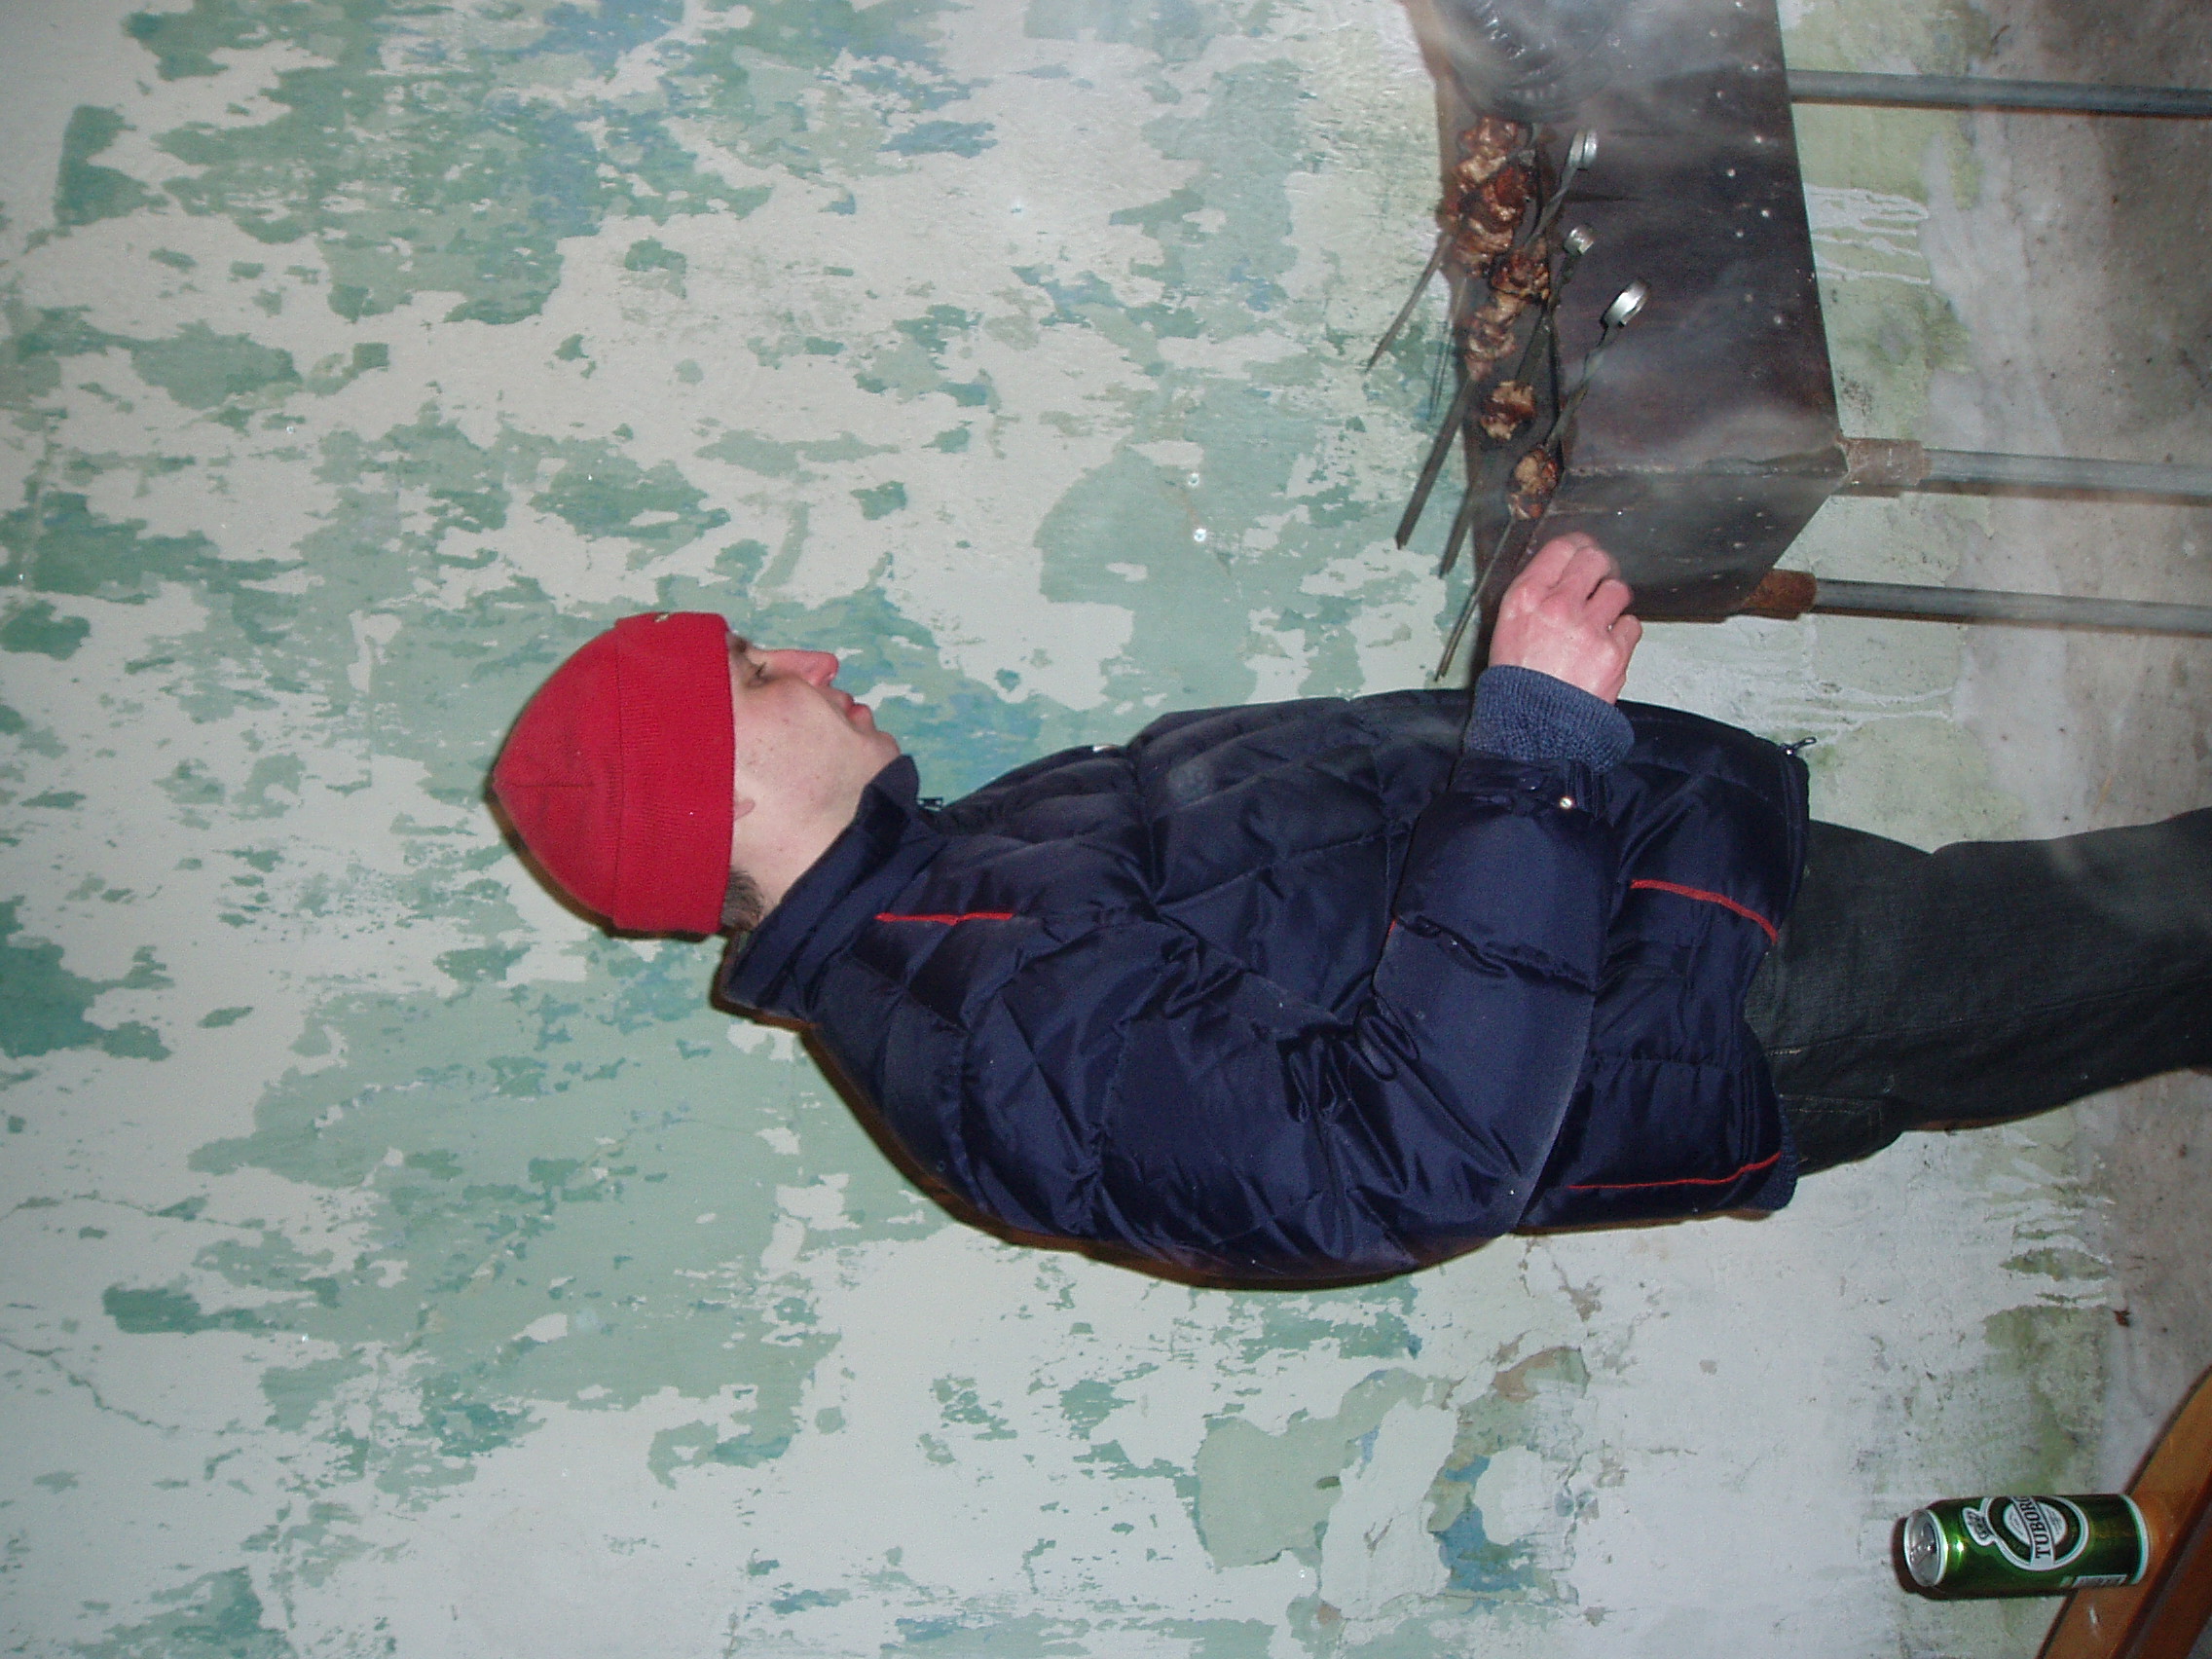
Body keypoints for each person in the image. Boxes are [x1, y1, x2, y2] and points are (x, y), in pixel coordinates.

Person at [490, 536, 2212, 1285]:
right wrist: (1536, 748)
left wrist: (1555, 757)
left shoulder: (958, 888)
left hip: (1684, 923)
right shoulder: (975, 1032)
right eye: (756, 670)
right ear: (710, 790)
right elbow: (1405, 1159)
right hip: (1712, 1005)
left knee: (2164, 952)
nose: (811, 659)